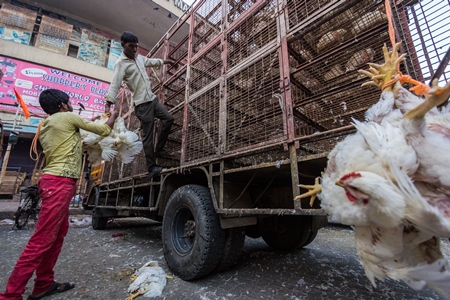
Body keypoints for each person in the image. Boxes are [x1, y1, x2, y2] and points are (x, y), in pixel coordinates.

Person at [0, 89, 117, 300]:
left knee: (57, 235)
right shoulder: (69, 117)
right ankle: (10, 295)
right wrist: (115, 115)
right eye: (69, 102)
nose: (71, 105)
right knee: (42, 239)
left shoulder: (47, 124)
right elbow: (104, 130)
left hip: (53, 182)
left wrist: (87, 121)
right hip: (60, 183)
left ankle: (43, 284)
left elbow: (74, 133)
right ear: (63, 105)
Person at [105, 31, 175, 178]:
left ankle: (159, 149)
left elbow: (150, 61)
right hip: (142, 105)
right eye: (131, 46)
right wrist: (109, 103)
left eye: (136, 46)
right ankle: (152, 168)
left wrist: (164, 62)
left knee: (168, 119)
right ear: (123, 44)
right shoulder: (121, 64)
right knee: (147, 136)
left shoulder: (138, 58)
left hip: (152, 99)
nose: (134, 49)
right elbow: (115, 83)